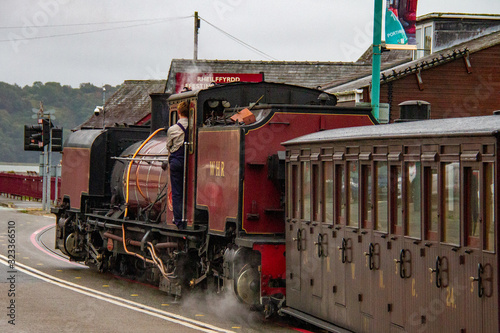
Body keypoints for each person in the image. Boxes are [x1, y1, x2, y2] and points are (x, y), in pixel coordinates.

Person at [166, 101, 189, 229]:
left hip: (177, 161)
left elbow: (168, 146)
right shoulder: (194, 127)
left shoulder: (173, 129)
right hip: (191, 162)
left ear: (179, 113)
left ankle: (179, 220)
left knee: (177, 192)